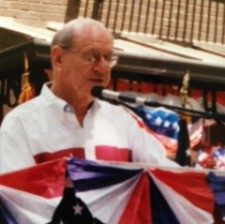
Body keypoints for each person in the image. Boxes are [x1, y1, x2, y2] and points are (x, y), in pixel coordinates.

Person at [0, 17, 178, 174]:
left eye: (108, 58)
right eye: (91, 57)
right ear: (58, 58)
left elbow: (168, 178)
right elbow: (15, 200)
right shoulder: (20, 124)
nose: (102, 68)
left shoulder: (122, 122)